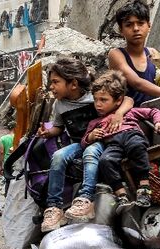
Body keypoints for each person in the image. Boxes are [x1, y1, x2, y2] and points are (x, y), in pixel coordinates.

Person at [37, 57, 134, 231]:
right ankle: (54, 207)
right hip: (78, 143)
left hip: (100, 141)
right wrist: (47, 132)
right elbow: (58, 127)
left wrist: (118, 114)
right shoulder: (59, 105)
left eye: (55, 82)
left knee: (91, 152)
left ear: (73, 84)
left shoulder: (94, 95)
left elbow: (128, 100)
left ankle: (85, 199)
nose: (51, 87)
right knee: (58, 156)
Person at [85, 71, 160, 210]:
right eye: (96, 100)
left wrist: (159, 123)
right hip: (112, 143)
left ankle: (144, 189)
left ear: (118, 100)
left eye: (103, 100)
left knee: (137, 146)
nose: (98, 104)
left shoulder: (130, 112)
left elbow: (153, 112)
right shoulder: (95, 122)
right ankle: (122, 196)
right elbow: (83, 141)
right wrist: (91, 136)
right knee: (105, 161)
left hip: (131, 135)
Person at [107, 0, 160, 107]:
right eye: (129, 25)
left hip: (154, 114)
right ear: (121, 30)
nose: (136, 29)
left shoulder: (153, 53)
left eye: (140, 23)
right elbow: (137, 83)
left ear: (149, 26)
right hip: (128, 116)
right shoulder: (116, 54)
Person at [0, 122, 16, 196]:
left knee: (8, 181)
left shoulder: (3, 138)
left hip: (7, 163)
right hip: (16, 163)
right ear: (15, 128)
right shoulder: (18, 138)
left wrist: (1, 166)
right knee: (16, 181)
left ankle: (7, 198)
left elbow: (1, 152)